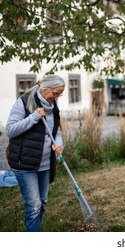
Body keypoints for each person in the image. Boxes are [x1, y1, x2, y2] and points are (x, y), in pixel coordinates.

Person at [6, 74, 65, 232]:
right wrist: (34, 117)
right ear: (46, 89)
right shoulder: (24, 102)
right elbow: (10, 130)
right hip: (24, 163)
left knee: (43, 202)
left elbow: (56, 131)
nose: (57, 97)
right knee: (34, 206)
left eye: (60, 94)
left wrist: (59, 144)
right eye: (56, 93)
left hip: (45, 164)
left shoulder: (53, 107)